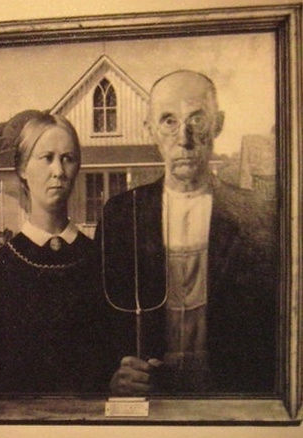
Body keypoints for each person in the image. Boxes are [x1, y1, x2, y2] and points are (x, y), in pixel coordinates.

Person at [98, 70, 277, 395]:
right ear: (150, 129)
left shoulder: (255, 214)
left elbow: (270, 328)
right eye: (169, 121)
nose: (184, 138)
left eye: (197, 119)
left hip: (228, 399)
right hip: (149, 399)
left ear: (218, 124)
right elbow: (98, 324)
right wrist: (112, 376)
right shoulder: (122, 215)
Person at [0, 112, 110, 394]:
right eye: (47, 158)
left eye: (68, 158)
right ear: (23, 169)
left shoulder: (101, 262)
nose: (59, 171)